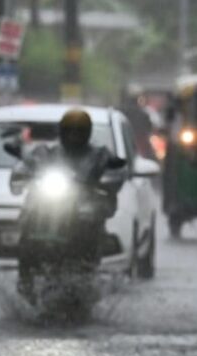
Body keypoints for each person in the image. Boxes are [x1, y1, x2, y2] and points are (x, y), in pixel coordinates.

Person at [12, 109, 125, 301]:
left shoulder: (100, 154)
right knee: (28, 212)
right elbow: (27, 162)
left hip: (83, 209)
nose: (74, 135)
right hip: (49, 204)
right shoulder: (46, 151)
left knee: (91, 224)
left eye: (79, 131)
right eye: (69, 130)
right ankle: (26, 277)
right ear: (62, 131)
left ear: (87, 133)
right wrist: (22, 171)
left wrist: (111, 176)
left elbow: (115, 171)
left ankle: (86, 275)